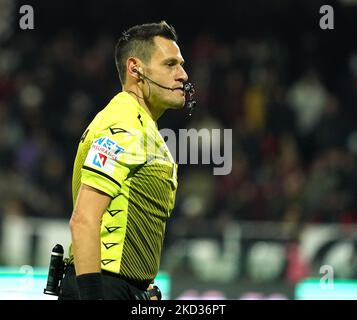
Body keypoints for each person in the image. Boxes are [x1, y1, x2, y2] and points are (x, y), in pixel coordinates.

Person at [58, 21, 189, 300]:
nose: (183, 75)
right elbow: (83, 220)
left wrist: (140, 293)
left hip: (122, 289)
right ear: (135, 69)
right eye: (170, 64)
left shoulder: (141, 127)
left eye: (180, 64)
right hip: (102, 286)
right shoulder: (123, 125)